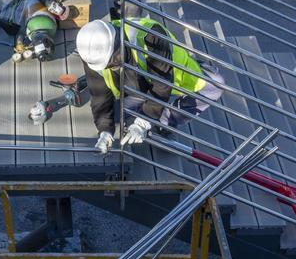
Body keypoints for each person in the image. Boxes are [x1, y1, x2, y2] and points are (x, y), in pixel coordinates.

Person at [72, 16, 223, 155]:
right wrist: (105, 130)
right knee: (115, 116)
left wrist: (144, 121)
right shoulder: (92, 54)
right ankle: (143, 114)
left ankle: (163, 123)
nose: (111, 67)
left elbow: (162, 85)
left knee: (215, 86)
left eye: (113, 62)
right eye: (107, 66)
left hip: (171, 76)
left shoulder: (149, 36)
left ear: (118, 43)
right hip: (135, 86)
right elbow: (99, 97)